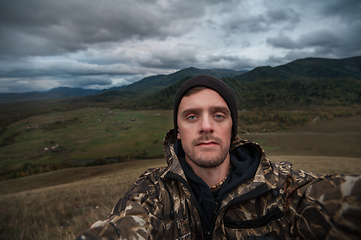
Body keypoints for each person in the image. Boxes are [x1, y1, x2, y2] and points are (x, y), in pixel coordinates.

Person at [76, 75, 361, 240]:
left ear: (232, 129)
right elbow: (126, 227)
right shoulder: (153, 192)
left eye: (219, 115)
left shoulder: (282, 187)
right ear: (178, 133)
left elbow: (338, 202)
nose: (206, 125)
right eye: (191, 116)